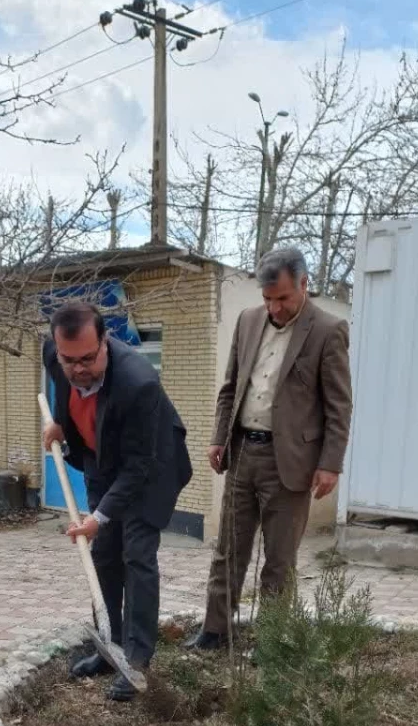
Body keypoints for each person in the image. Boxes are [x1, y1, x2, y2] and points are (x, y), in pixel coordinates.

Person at [185, 247, 353, 650]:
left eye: (283, 298)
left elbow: (339, 404)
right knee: (228, 550)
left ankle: (272, 641)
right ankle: (215, 630)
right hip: (243, 452)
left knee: (279, 562)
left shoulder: (329, 330)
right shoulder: (247, 321)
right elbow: (230, 389)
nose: (275, 307)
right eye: (268, 298)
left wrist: (330, 464)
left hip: (290, 464)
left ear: (304, 284)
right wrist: (218, 437)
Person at [42, 302, 192, 701]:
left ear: (105, 341)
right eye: (69, 359)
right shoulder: (55, 353)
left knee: (136, 556)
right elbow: (61, 386)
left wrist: (101, 515)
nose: (78, 368)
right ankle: (109, 648)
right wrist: (60, 422)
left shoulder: (138, 383)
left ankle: (137, 660)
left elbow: (140, 465)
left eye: (88, 358)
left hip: (150, 468)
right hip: (101, 460)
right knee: (104, 555)